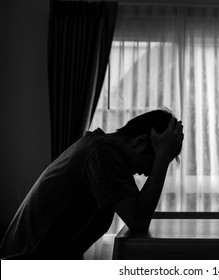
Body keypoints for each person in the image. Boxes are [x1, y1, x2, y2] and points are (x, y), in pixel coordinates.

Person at [0, 109, 184, 259]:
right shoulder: (102, 154)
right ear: (140, 142)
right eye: (152, 163)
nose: (149, 173)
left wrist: (161, 155)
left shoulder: (106, 153)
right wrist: (163, 156)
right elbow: (138, 220)